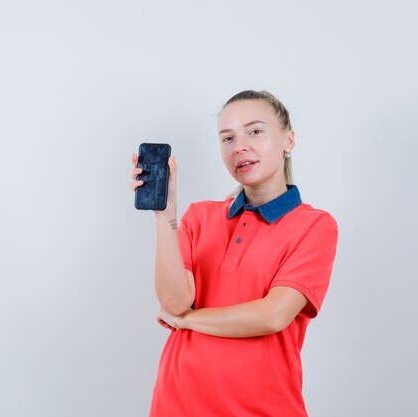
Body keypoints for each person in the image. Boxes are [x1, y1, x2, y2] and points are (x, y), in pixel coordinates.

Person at [130, 90, 338, 417]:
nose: (239, 145)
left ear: (289, 140)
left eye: (254, 131)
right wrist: (164, 214)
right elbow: (174, 302)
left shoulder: (314, 226)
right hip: (177, 404)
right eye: (227, 138)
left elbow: (272, 316)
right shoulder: (199, 216)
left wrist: (186, 321)